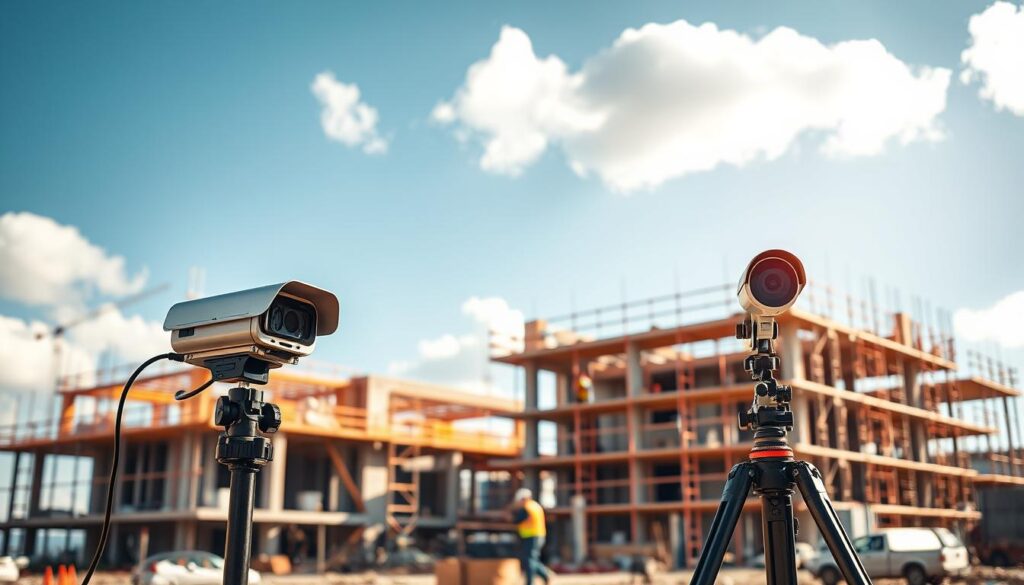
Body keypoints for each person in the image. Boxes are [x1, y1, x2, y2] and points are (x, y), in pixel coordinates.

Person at [511, 488, 552, 584]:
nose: (519, 502)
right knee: (532, 559)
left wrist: (510, 517)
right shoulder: (536, 506)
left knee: (529, 560)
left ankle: (530, 582)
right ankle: (545, 575)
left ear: (524, 498)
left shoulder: (527, 508)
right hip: (539, 535)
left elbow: (517, 520)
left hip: (531, 536)